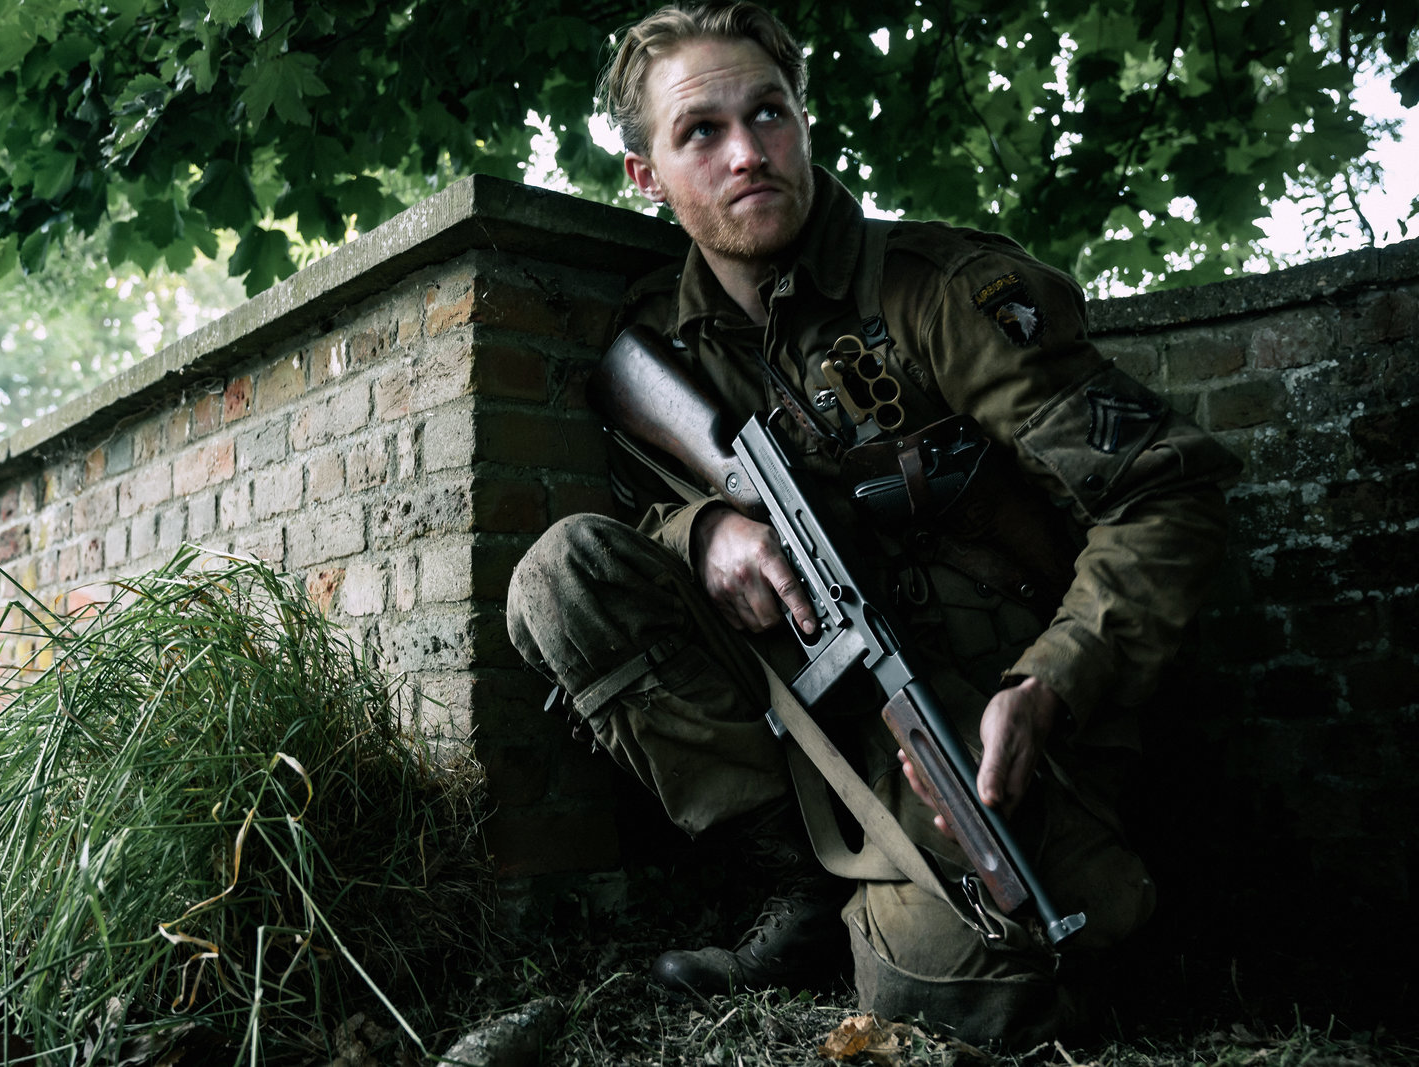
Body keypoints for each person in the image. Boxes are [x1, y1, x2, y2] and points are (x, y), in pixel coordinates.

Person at [507, 0, 1238, 1044]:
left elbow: (1164, 493)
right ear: (645, 176)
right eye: (700, 131)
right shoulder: (663, 342)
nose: (747, 152)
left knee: (966, 992)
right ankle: (801, 892)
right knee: (560, 575)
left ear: (804, 123)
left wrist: (1052, 682)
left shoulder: (942, 292)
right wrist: (705, 532)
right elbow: (641, 511)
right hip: (808, 713)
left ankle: (900, 908)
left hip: (988, 709)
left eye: (769, 113)